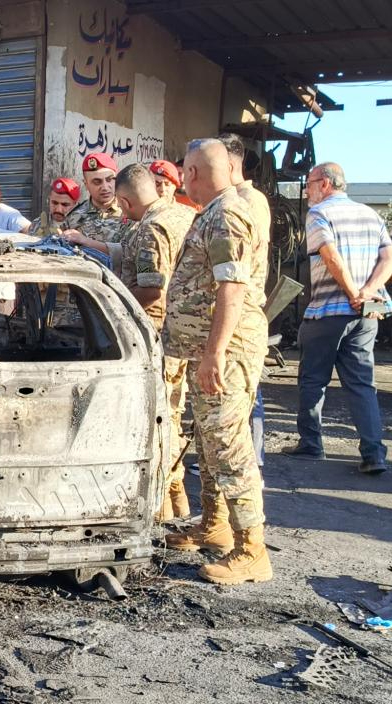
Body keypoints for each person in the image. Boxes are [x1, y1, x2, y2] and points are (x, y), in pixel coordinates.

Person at [163, 139, 270, 585]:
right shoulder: (212, 212)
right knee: (210, 444)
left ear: (191, 173)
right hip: (208, 351)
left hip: (226, 352)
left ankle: (252, 551)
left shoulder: (227, 214)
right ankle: (215, 525)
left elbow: (233, 287)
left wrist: (215, 353)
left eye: (184, 172)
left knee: (229, 447)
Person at [282, 162, 392, 474]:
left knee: (313, 379)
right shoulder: (370, 214)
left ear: (325, 183)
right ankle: (374, 453)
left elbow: (330, 255)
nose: (306, 191)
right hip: (366, 312)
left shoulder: (319, 214)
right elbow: (390, 258)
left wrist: (352, 292)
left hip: (328, 311)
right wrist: (368, 292)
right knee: (362, 383)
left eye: (309, 184)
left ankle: (311, 444)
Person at [113, 163, 196, 519]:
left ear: (124, 201)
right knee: (173, 416)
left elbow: (150, 289)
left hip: (158, 336)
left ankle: (161, 510)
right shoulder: (184, 215)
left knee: (158, 422)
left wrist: (115, 307)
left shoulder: (151, 228)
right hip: (186, 333)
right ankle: (178, 506)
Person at [219, 133, 272, 467]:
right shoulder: (230, 199)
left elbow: (236, 270)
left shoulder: (247, 201)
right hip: (232, 309)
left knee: (243, 391)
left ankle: (250, 458)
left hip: (241, 311)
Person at [63, 153, 125, 250]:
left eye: (109, 179)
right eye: (97, 182)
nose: (105, 187)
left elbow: (130, 252)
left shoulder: (129, 211)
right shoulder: (73, 217)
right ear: (86, 184)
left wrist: (85, 241)